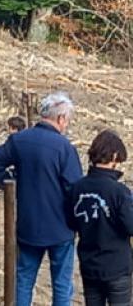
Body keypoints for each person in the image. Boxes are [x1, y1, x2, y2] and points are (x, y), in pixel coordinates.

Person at [0, 91, 82, 306]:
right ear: (61, 118)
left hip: (28, 225)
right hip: (60, 228)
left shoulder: (20, 140)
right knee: (62, 285)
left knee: (24, 280)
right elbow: (74, 189)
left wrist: (10, 182)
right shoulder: (65, 148)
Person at [66, 130, 133, 306]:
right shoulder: (120, 192)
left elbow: (71, 222)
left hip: (89, 264)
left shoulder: (77, 188)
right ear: (115, 157)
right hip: (117, 266)